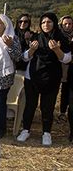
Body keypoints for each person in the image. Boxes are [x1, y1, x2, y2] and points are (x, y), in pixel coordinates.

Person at [17, 12, 72, 146]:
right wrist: (31, 50)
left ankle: (46, 133)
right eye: (43, 22)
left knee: (47, 107)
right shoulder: (36, 37)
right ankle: (26, 130)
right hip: (33, 77)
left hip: (52, 78)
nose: (45, 25)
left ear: (54, 23)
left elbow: (67, 59)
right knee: (30, 105)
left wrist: (57, 50)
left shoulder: (61, 39)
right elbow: (25, 57)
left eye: (49, 22)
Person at [58, 15, 72, 122]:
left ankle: (66, 112)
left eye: (70, 24)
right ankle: (62, 112)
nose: (67, 26)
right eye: (65, 24)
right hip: (58, 66)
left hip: (71, 67)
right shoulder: (58, 36)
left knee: (67, 89)